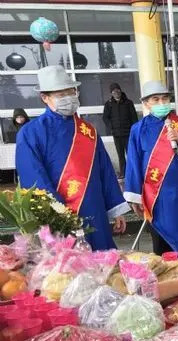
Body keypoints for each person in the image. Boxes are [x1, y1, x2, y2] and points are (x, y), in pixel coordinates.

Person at [16, 65, 128, 250]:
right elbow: (34, 178)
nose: (68, 98)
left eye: (71, 91)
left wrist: (116, 209)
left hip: (95, 209)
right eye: (60, 94)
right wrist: (58, 214)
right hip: (61, 218)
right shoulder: (31, 133)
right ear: (45, 97)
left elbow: (105, 172)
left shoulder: (88, 131)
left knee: (103, 264)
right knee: (68, 270)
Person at [124, 81, 178, 257]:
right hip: (156, 198)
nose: (162, 103)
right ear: (146, 103)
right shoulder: (138, 130)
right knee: (162, 245)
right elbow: (133, 163)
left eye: (165, 98)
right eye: (156, 99)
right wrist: (135, 197)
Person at [102, 83, 138, 178]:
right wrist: (111, 127)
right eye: (114, 91)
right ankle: (123, 173)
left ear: (121, 90)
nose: (116, 93)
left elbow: (134, 117)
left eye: (118, 90)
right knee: (120, 155)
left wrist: (134, 130)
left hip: (128, 133)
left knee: (131, 154)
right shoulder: (108, 104)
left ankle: (133, 172)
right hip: (116, 134)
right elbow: (105, 118)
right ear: (111, 93)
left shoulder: (128, 103)